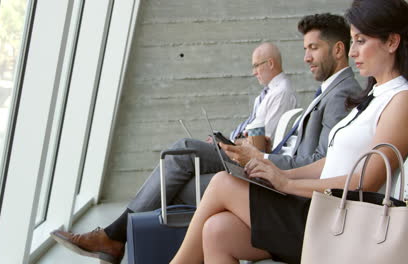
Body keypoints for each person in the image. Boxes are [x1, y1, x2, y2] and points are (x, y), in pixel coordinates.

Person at [170, 1, 408, 263]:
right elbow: (330, 163)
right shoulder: (376, 94)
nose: (353, 52)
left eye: (361, 41)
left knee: (222, 183)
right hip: (323, 210)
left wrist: (288, 184)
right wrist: (281, 174)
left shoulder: (403, 100)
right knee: (218, 230)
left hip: (343, 224)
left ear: (392, 42)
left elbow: (364, 182)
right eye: (353, 41)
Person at [50, 42, 297, 264]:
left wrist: (232, 144)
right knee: (181, 180)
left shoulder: (281, 93)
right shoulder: (266, 95)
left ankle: (115, 236)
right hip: (237, 151)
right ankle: (118, 239)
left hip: (250, 160)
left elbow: (261, 144)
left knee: (182, 150)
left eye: (257, 66)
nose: (254, 71)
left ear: (271, 63)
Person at [219, 13, 361, 171]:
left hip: (288, 183)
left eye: (314, 48)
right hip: (278, 170)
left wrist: (261, 158)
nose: (306, 58)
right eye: (306, 49)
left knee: (194, 155)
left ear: (338, 50)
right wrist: (269, 151)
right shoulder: (328, 90)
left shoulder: (343, 93)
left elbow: (322, 164)